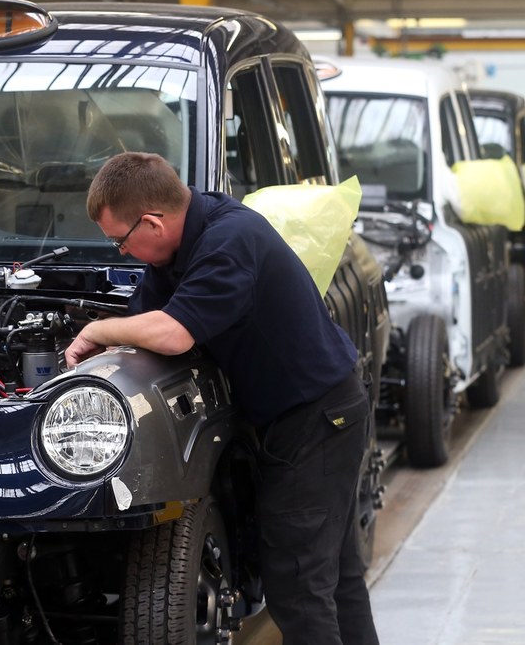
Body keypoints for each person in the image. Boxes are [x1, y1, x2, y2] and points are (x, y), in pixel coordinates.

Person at [63, 152, 378, 645]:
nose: (120, 253)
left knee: (299, 586)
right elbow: (145, 320)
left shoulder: (228, 241)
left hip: (316, 421)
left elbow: (173, 333)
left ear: (152, 221)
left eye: (119, 240)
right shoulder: (179, 246)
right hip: (308, 414)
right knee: (335, 578)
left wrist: (98, 328)